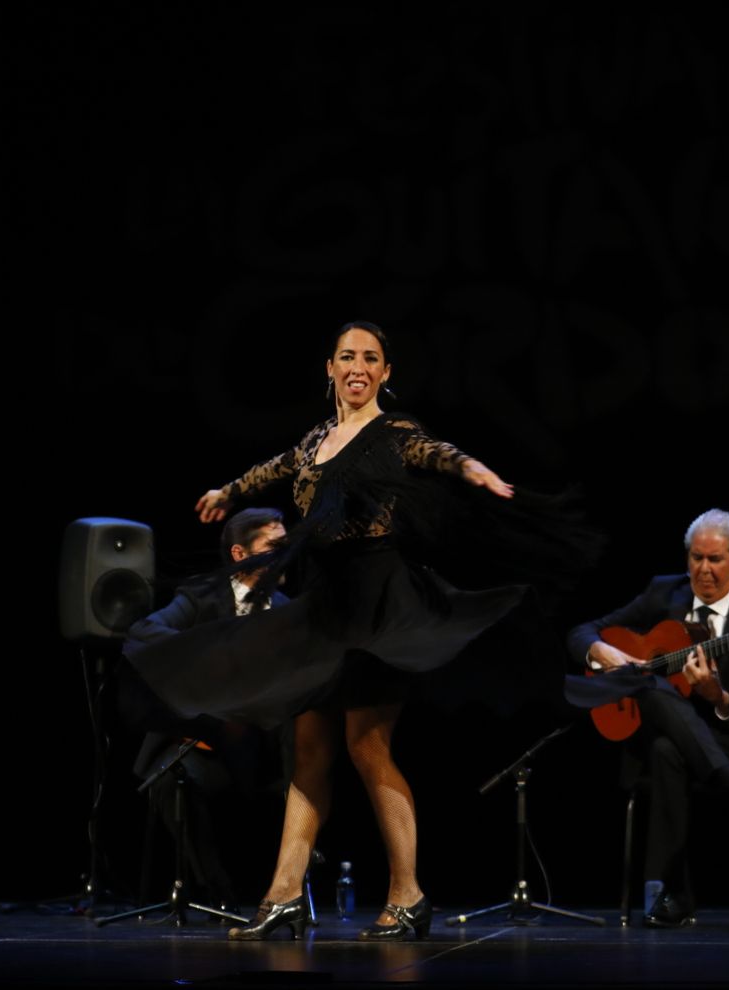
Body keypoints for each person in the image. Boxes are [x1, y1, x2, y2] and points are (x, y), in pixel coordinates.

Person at [124, 321, 525, 941]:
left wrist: (470, 468)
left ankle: (408, 893)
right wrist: (226, 491)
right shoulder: (315, 440)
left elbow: (433, 452)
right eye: (347, 357)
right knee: (310, 752)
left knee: (368, 747)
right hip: (327, 607)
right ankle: (283, 894)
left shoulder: (393, 432)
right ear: (331, 369)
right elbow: (275, 467)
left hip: (378, 605)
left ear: (385, 373)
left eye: (371, 358)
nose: (358, 366)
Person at [565, 509, 729, 928]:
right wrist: (603, 652)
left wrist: (719, 695)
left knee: (665, 745)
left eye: (715, 559)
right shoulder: (663, 593)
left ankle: (672, 893)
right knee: (653, 692)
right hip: (681, 734)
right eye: (696, 557)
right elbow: (583, 631)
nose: (703, 570)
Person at [116, 508, 290, 913]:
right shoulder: (202, 596)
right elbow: (144, 632)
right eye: (273, 547)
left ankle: (286, 892)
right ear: (239, 553)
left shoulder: (288, 610)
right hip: (211, 742)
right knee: (171, 781)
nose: (286, 555)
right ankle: (220, 895)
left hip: (265, 751)